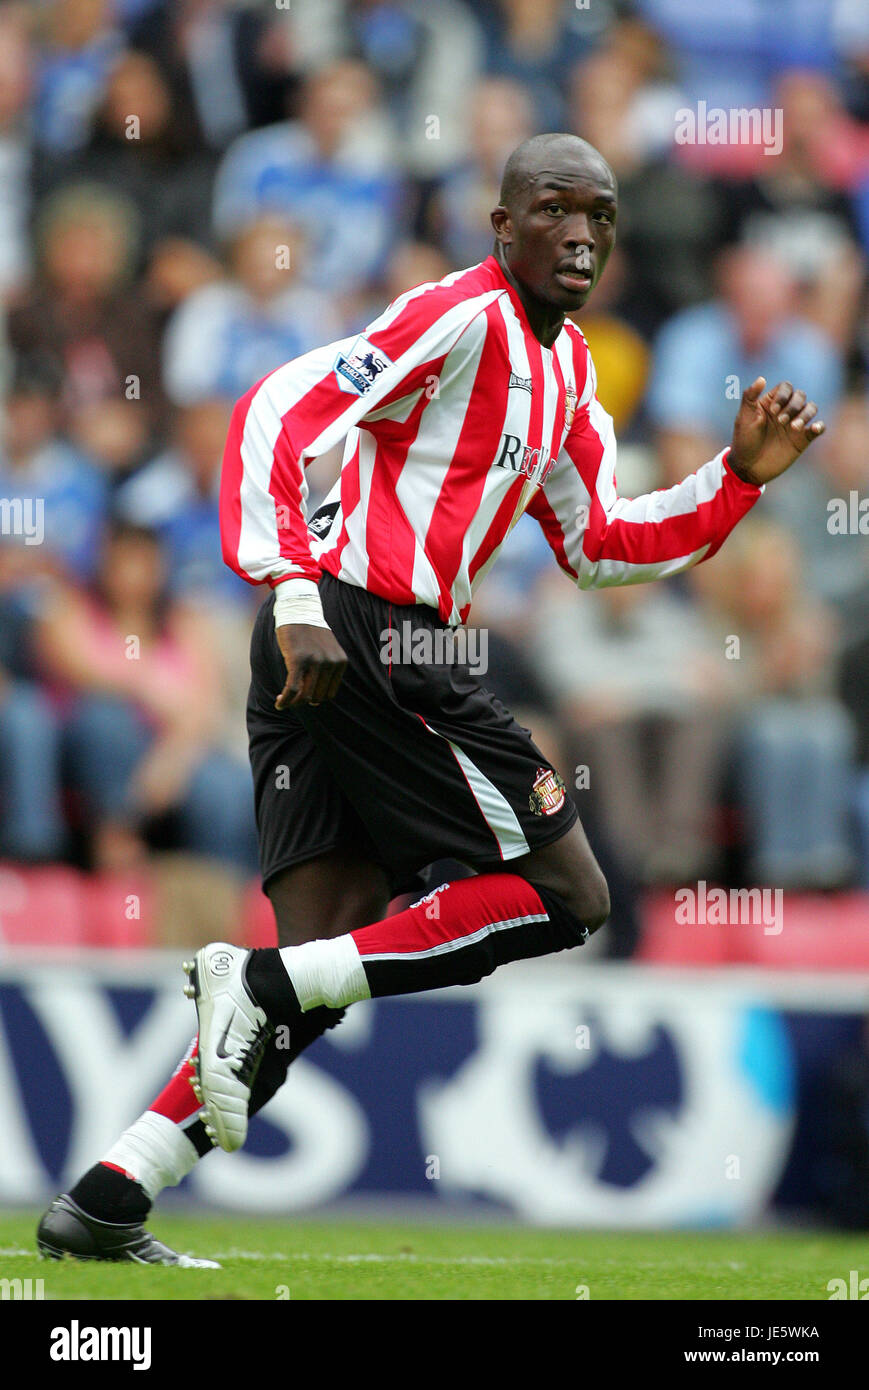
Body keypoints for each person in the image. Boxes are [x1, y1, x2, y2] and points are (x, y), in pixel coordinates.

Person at [37, 132, 825, 1265]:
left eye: (599, 215)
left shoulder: (568, 384)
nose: (581, 234)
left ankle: (112, 1192)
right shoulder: (457, 315)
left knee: (322, 970)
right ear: (501, 225)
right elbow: (278, 409)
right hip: (365, 633)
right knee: (568, 891)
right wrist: (296, 585)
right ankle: (256, 976)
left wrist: (733, 478)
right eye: (554, 209)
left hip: (349, 651)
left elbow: (598, 543)